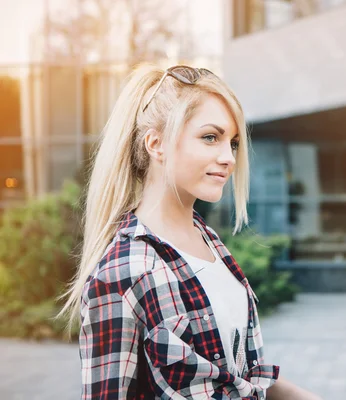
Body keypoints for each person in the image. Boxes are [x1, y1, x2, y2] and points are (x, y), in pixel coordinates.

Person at [59, 64, 322, 400]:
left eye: (234, 142)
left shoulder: (211, 244)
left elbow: (243, 379)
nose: (228, 157)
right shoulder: (122, 273)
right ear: (157, 144)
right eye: (210, 137)